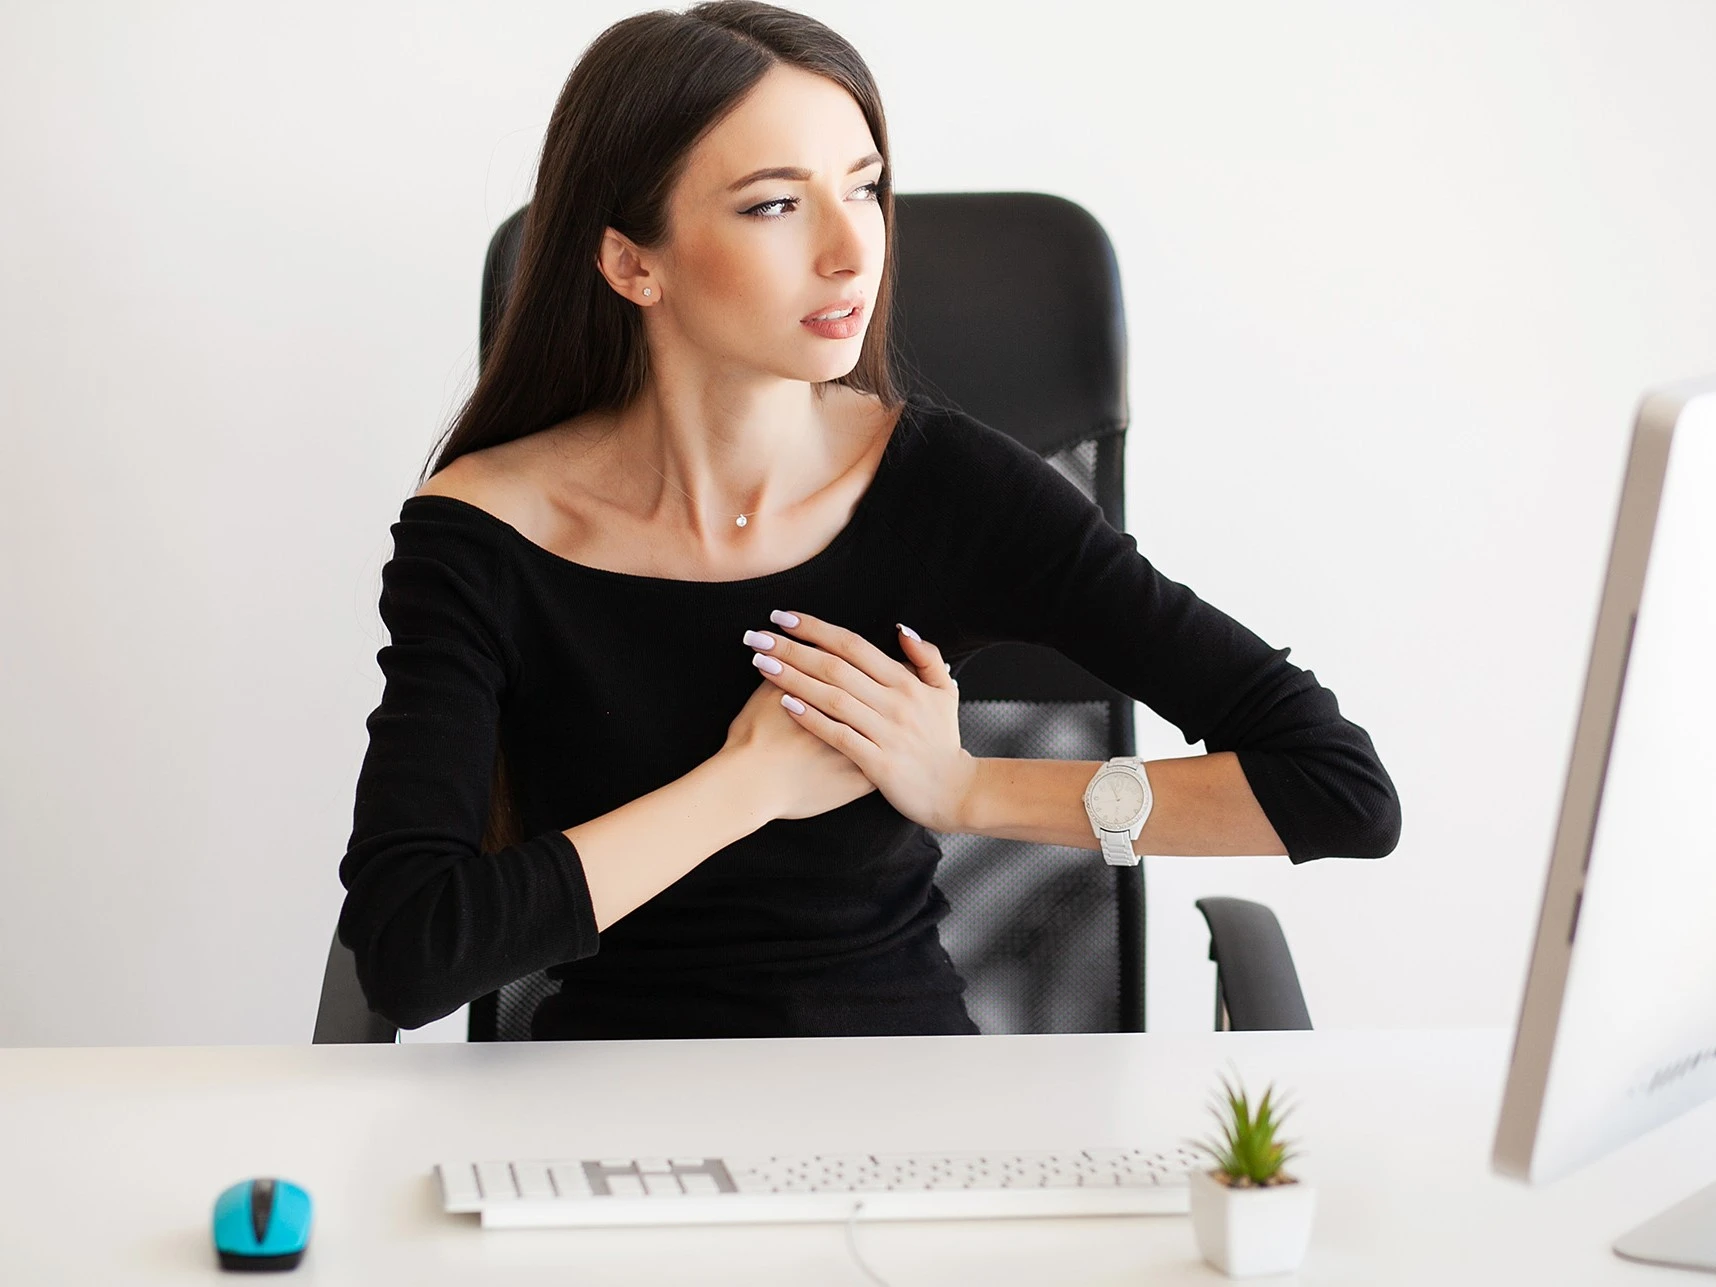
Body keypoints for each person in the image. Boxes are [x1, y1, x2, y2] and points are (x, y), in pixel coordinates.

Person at [337, 0, 1402, 1040]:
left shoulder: (950, 490)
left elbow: (1335, 789)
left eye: (866, 188)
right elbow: (408, 950)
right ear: (632, 262)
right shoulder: (485, 533)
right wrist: (745, 786)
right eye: (774, 204)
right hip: (606, 1107)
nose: (854, 250)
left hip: (904, 1093)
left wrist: (970, 788)